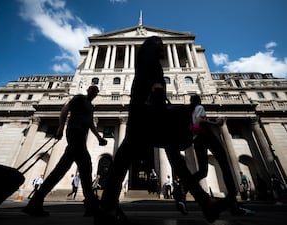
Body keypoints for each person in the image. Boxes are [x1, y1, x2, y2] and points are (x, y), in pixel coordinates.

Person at [95, 36, 230, 225]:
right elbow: (157, 87)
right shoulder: (153, 62)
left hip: (138, 114)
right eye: (160, 44)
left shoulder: (140, 64)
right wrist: (161, 102)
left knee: (129, 159)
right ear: (153, 46)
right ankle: (204, 200)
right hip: (151, 115)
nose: (163, 48)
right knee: (170, 154)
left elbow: (141, 90)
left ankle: (107, 206)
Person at [23, 85, 107, 217]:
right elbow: (65, 110)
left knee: (68, 169)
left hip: (81, 137)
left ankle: (35, 202)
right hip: (74, 134)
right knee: (83, 168)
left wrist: (98, 138)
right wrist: (60, 128)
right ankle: (91, 205)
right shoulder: (79, 98)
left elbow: (90, 123)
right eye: (92, 90)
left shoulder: (91, 107)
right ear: (88, 91)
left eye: (96, 92)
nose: (94, 93)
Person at [187, 94, 252, 215]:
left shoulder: (189, 111)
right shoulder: (199, 107)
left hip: (196, 139)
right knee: (225, 164)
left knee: (202, 171)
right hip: (206, 135)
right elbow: (199, 121)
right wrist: (216, 123)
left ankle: (183, 187)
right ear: (199, 101)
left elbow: (193, 124)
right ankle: (233, 200)